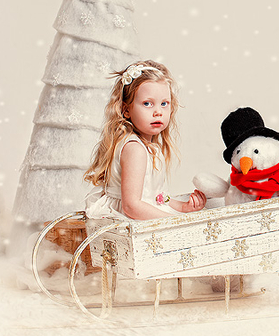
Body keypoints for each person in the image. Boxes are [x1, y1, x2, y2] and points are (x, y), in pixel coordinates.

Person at [83, 60, 206, 219]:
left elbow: (156, 198)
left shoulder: (149, 147)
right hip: (130, 219)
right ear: (126, 110)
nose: (158, 112)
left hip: (142, 213)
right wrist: (173, 222)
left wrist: (182, 207)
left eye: (164, 103)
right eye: (147, 103)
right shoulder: (135, 149)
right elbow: (131, 206)